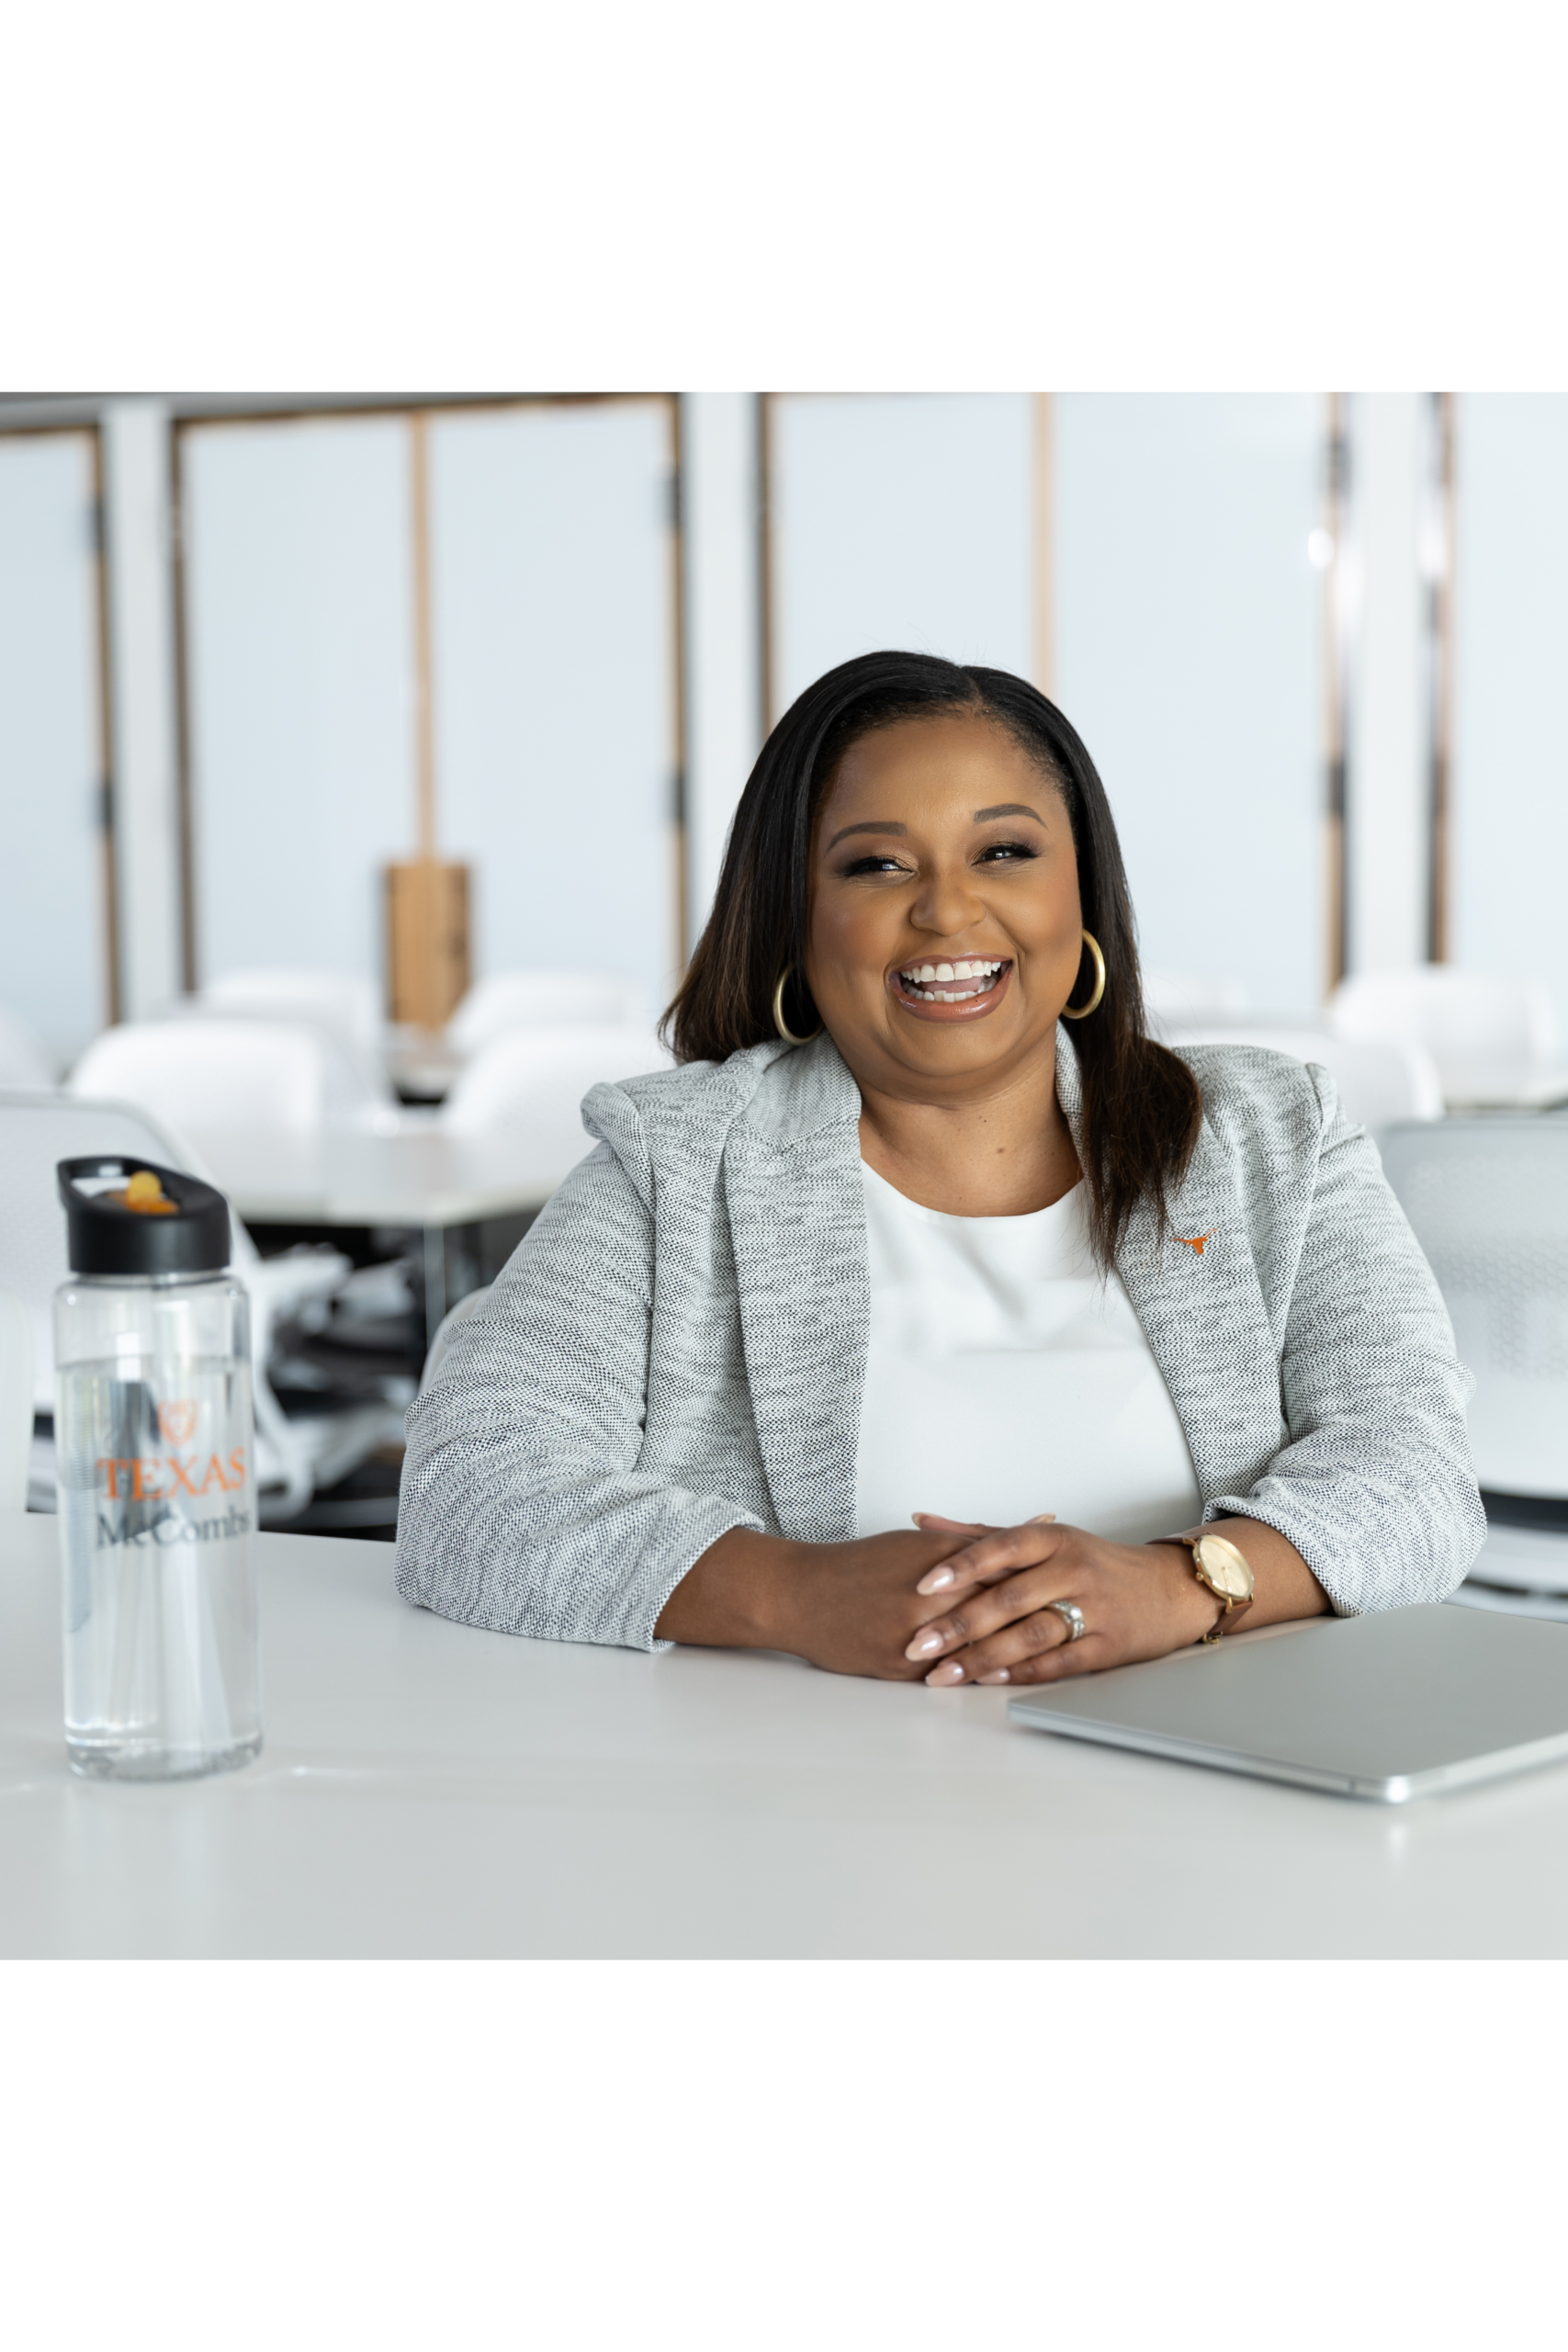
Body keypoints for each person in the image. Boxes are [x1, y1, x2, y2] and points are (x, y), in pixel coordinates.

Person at [398, 651, 1484, 1686]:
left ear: (1082, 892)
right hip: (790, 1788)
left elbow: (1417, 1473)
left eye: (1003, 851)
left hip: (1213, 1777)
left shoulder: (1275, 1136)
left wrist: (1183, 1584)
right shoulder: (674, 1162)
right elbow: (468, 1487)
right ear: (799, 916)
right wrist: (792, 1594)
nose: (948, 909)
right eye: (877, 864)